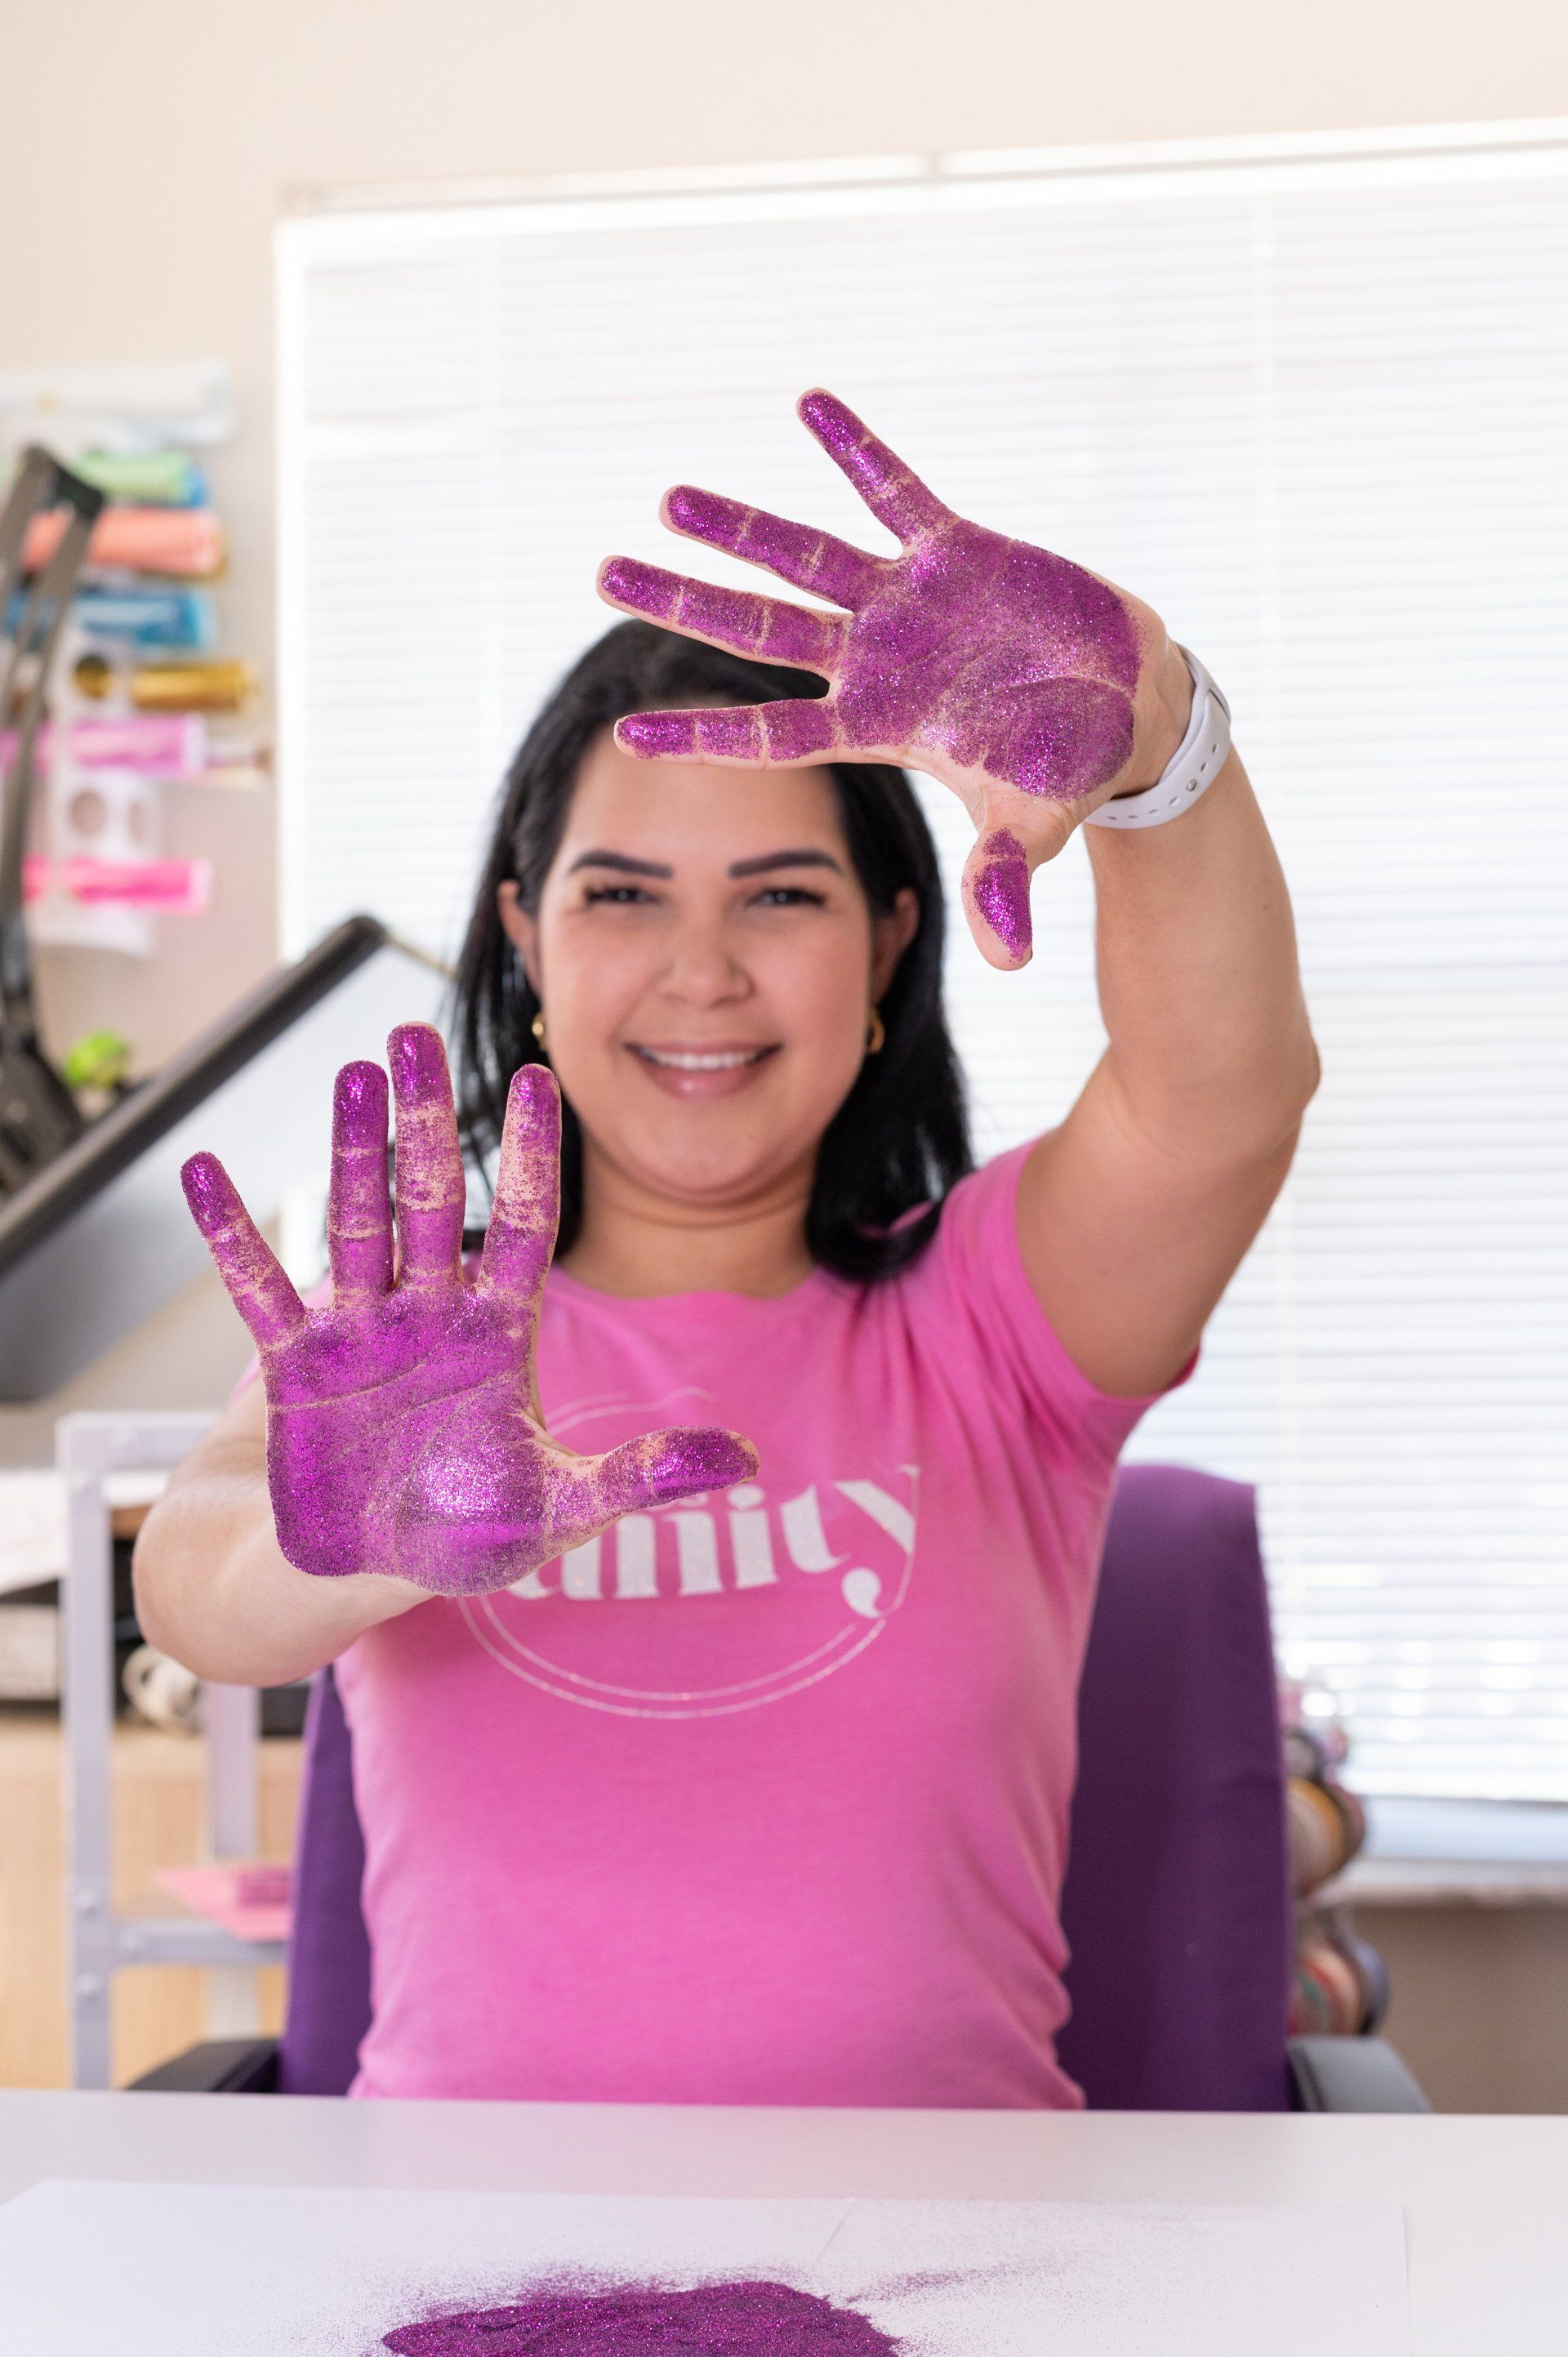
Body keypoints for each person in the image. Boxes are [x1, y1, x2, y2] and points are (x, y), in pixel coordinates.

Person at [135, 392, 1317, 2107]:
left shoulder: (1003, 1313)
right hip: (452, 2272)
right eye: (622, 897)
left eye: (780, 895)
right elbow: (202, 1586)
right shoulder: (407, 1346)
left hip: (957, 2270)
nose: (702, 974)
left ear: (890, 937)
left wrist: (1163, 749)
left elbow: (1226, 1096)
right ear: (525, 936)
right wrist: (354, 1538)